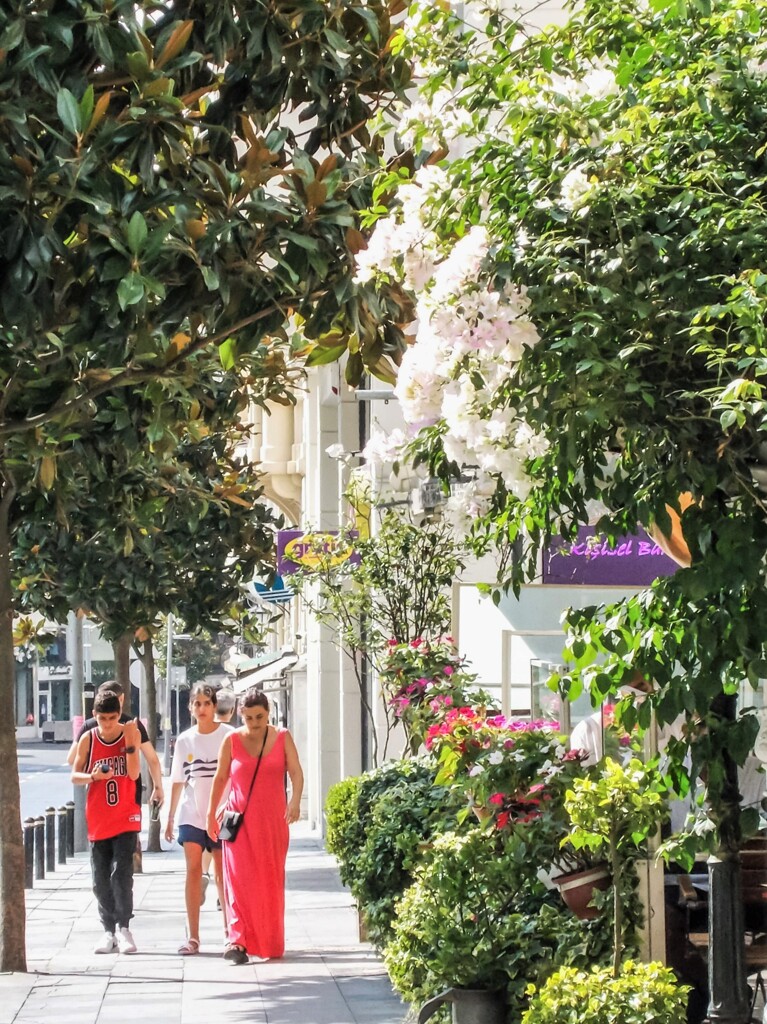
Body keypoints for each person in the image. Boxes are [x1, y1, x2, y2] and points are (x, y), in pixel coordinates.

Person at [206, 687, 303, 964]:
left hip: (272, 822)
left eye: (259, 717)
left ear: (268, 714)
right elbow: (221, 777)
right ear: (240, 715)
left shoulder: (282, 737)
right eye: (248, 718)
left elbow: (296, 772)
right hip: (238, 822)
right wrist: (211, 813)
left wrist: (295, 801)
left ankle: (268, 941)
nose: (255, 723)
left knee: (269, 881)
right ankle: (237, 941)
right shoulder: (232, 740)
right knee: (238, 881)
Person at [71, 691, 142, 954]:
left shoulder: (129, 733)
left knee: (121, 873)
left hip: (125, 817)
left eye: (112, 718)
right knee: (100, 879)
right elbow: (74, 776)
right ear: (94, 716)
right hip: (99, 819)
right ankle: (107, 929)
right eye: (103, 718)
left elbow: (134, 773)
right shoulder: (89, 738)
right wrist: (93, 777)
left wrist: (132, 744)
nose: (108, 724)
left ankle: (124, 927)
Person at [165, 683, 233, 954]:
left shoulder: (230, 736)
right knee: (193, 870)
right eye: (197, 704)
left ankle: (230, 933)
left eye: (207, 703)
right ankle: (193, 937)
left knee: (222, 874)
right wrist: (169, 817)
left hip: (223, 814)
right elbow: (178, 780)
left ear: (215, 706)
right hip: (191, 814)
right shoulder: (184, 740)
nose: (202, 708)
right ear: (190, 707)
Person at [67, 681, 164, 811]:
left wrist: (93, 767)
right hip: (125, 798)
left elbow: (71, 759)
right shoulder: (133, 725)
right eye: (102, 718)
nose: (107, 723)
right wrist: (158, 786)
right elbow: (152, 759)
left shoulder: (90, 726)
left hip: (104, 797)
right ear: (122, 698)